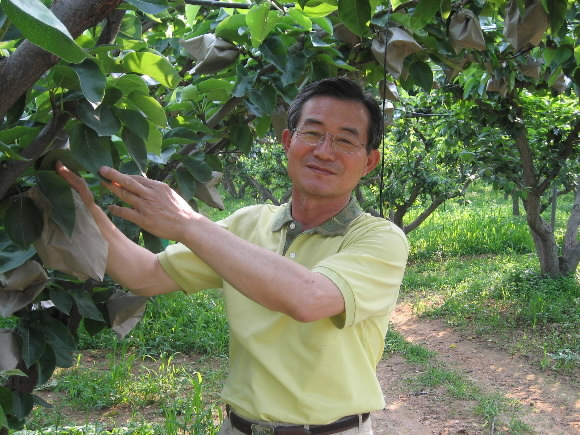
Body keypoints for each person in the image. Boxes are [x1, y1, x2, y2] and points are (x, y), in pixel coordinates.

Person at [57, 77, 409, 435]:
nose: (324, 151)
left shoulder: (379, 239)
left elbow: (309, 298)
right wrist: (82, 205)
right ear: (288, 142)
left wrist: (188, 224)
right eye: (313, 133)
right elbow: (144, 274)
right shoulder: (248, 224)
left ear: (369, 162)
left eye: (346, 140)